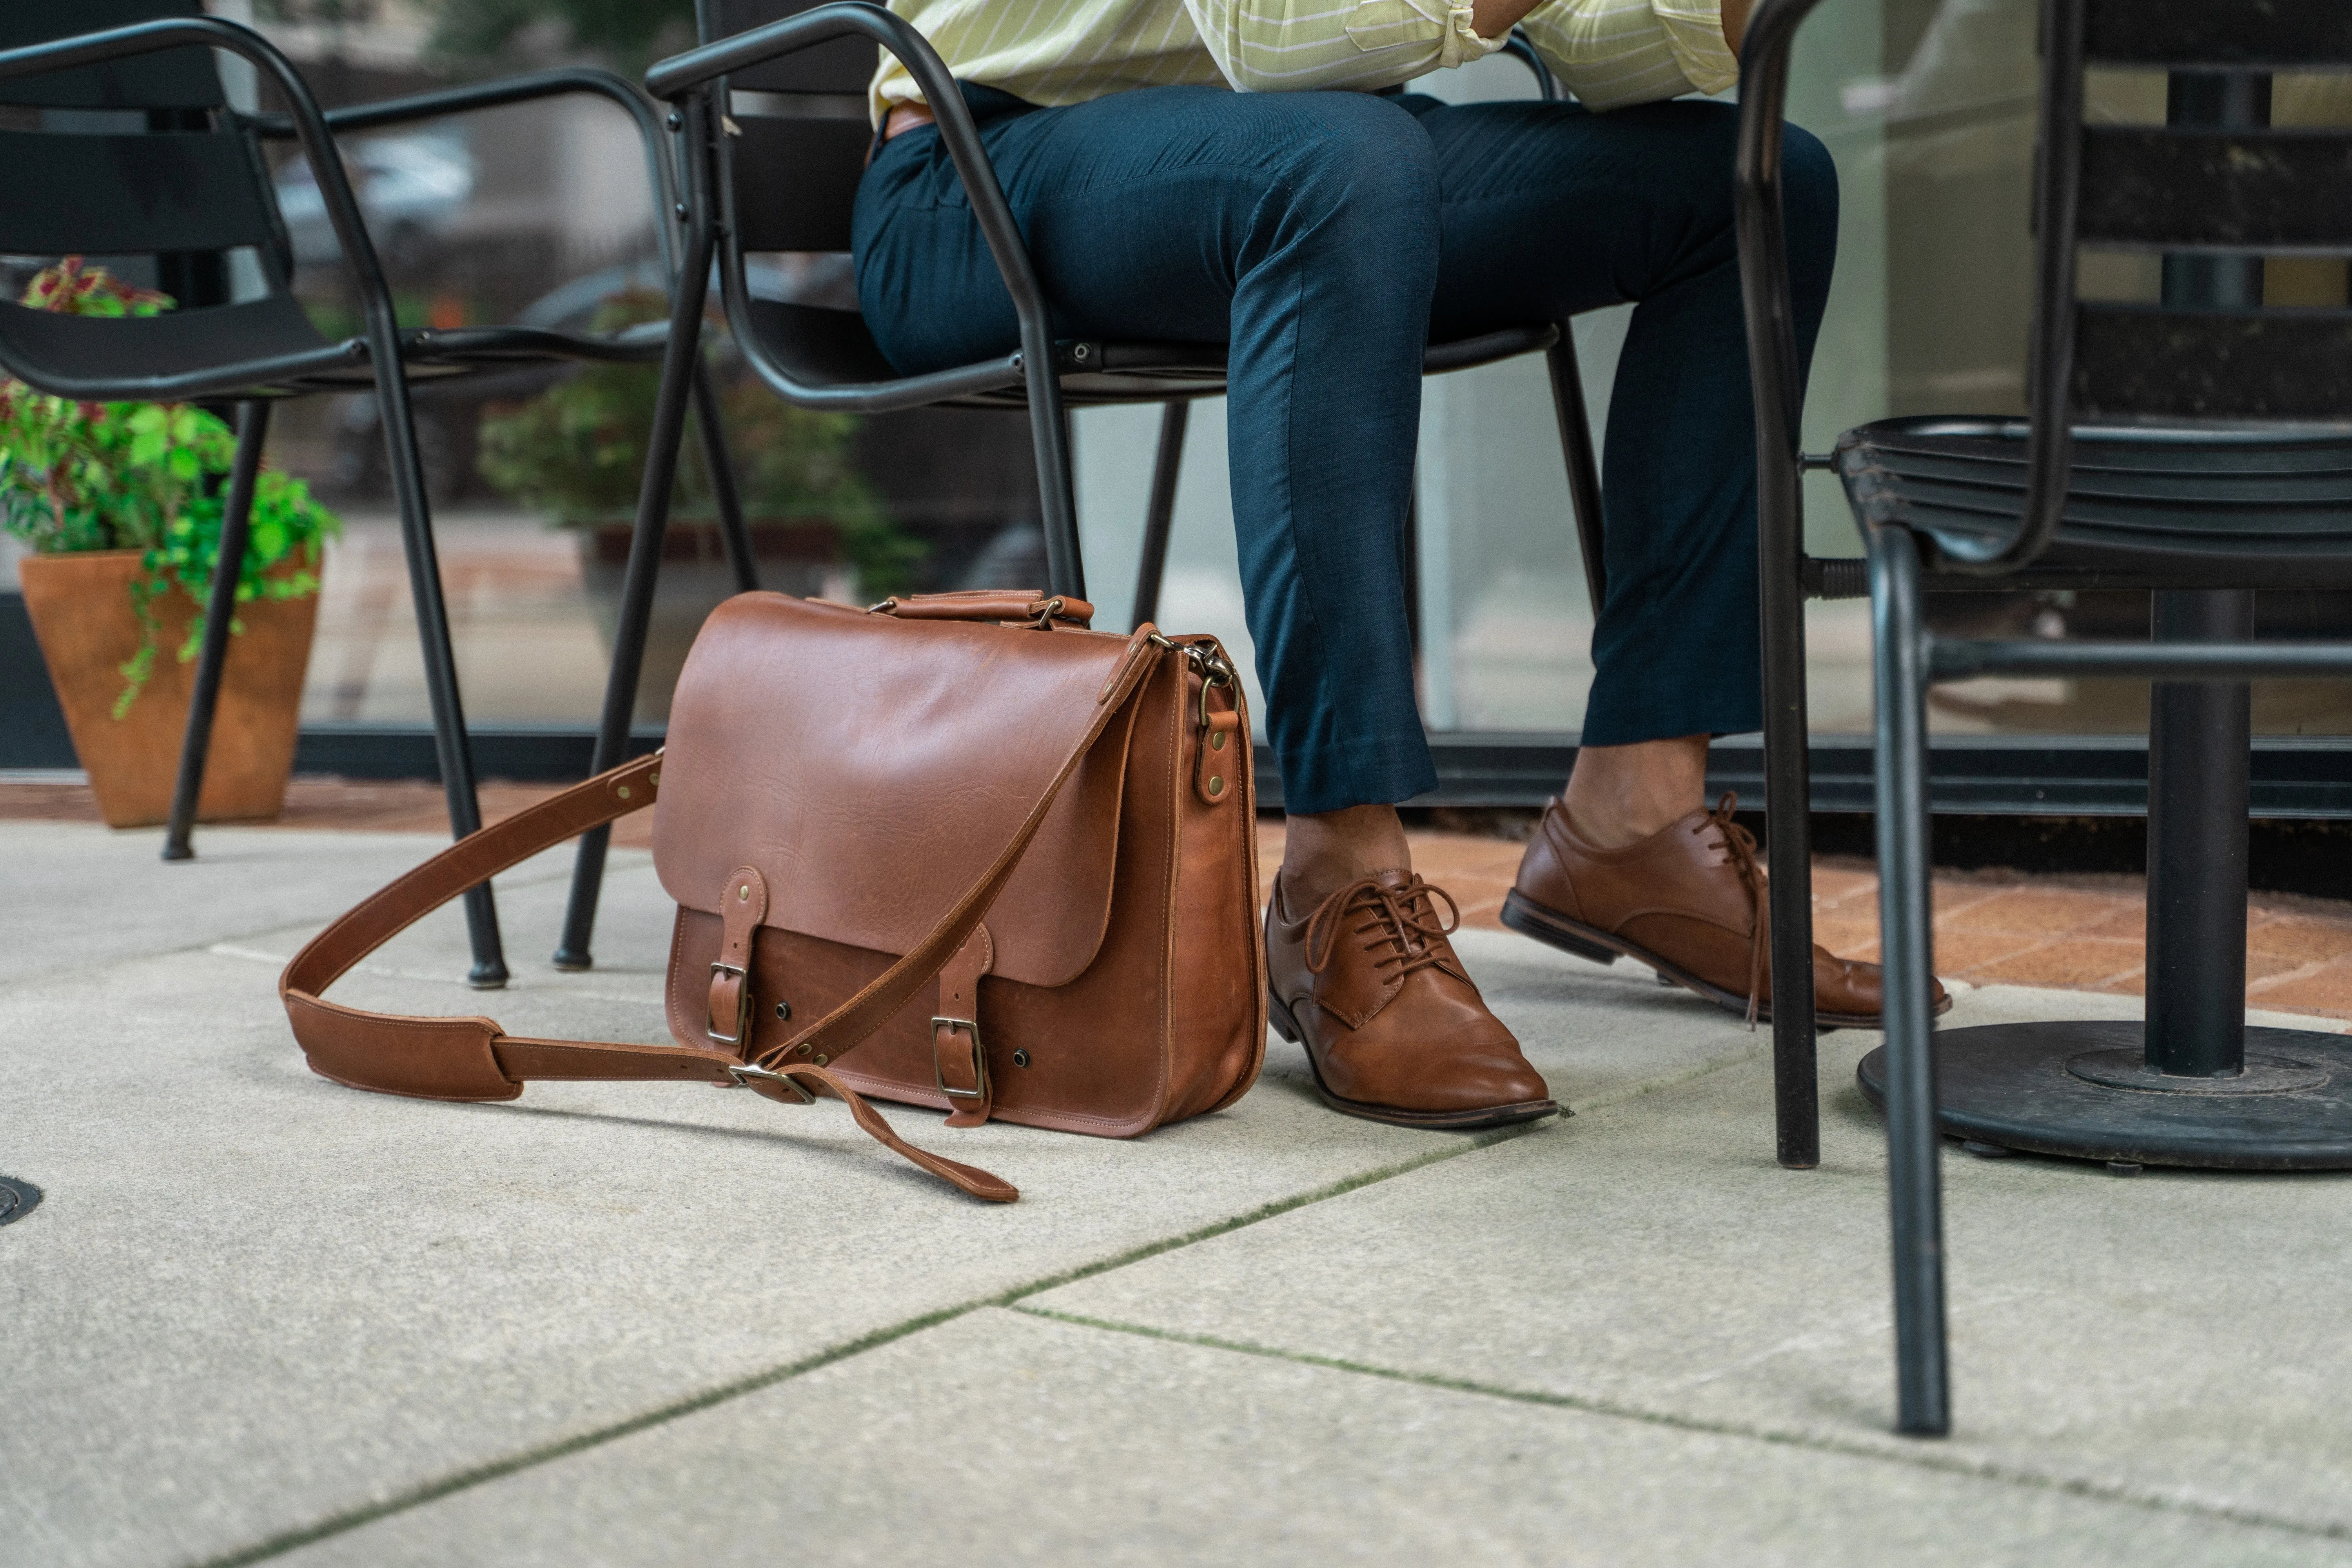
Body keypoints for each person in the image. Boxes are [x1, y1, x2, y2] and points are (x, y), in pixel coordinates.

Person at [852, 0, 1945, 1132]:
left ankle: (1635, 816)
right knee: (1340, 164)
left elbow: (1586, 45)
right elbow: (1270, 35)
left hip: (1292, 151)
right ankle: (1335, 878)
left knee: (1759, 185)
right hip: (973, 179)